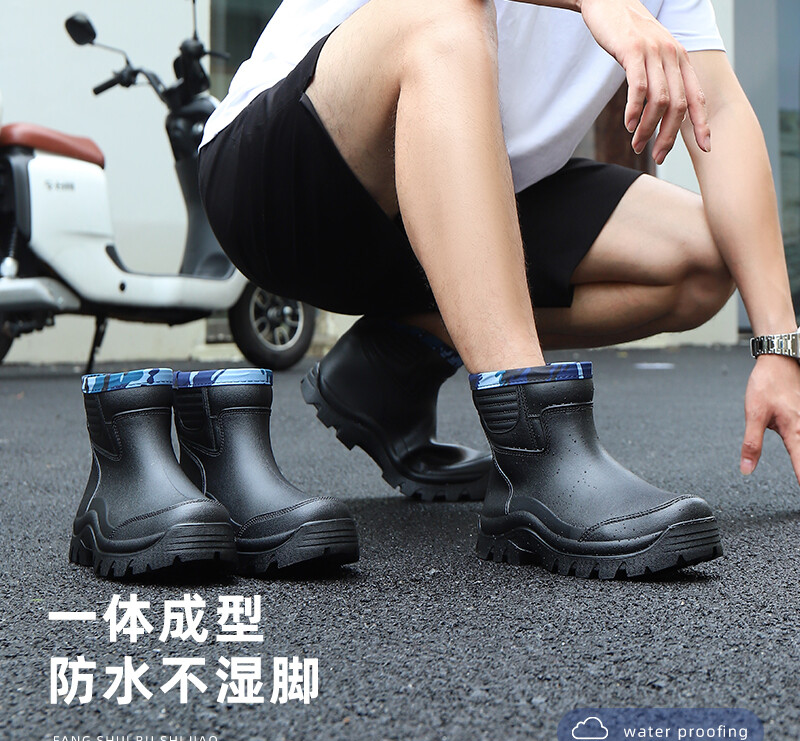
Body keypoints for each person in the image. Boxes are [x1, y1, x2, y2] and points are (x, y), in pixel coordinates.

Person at [197, 0, 800, 578]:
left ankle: (397, 353)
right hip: (288, 186)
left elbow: (718, 109)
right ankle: (535, 451)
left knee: (705, 260)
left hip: (460, 203)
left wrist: (778, 346)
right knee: (443, 10)